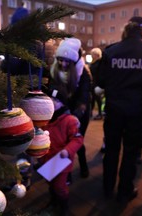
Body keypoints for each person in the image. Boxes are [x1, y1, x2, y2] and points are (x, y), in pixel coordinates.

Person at [97, 16, 142, 202]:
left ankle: (107, 187)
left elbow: (101, 81)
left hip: (114, 110)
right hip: (138, 112)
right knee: (131, 152)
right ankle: (125, 190)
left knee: (111, 150)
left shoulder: (111, 51)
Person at [46, 37, 92, 179]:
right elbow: (51, 89)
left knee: (76, 140)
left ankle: (83, 166)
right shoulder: (54, 70)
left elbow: (84, 93)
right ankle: (66, 174)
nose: (62, 63)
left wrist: (78, 111)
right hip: (61, 111)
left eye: (66, 61)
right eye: (60, 59)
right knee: (62, 142)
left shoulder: (82, 72)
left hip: (79, 112)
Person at [39, 94, 83, 216]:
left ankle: (64, 206)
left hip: (60, 159)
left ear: (62, 103)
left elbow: (77, 139)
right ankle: (54, 201)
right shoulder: (44, 119)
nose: (52, 102)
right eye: (50, 99)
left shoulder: (69, 120)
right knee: (50, 182)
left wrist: (67, 150)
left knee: (59, 186)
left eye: (56, 100)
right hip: (46, 157)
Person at [90, 47, 104, 120]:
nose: (92, 55)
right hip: (94, 82)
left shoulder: (99, 62)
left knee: (97, 98)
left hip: (98, 83)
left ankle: (100, 113)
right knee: (92, 98)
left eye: (93, 54)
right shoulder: (94, 62)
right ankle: (91, 112)